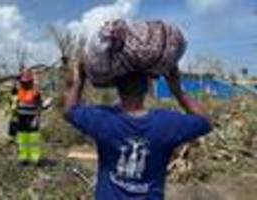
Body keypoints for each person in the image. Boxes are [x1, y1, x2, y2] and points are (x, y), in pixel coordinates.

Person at [63, 63, 211, 200]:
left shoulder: (104, 119)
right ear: (146, 88)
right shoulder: (166, 123)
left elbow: (69, 111)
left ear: (118, 88)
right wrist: (177, 91)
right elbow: (205, 122)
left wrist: (79, 80)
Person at [11, 69, 43, 166]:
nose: (25, 84)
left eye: (27, 82)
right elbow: (13, 91)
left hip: (32, 118)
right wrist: (16, 78)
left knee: (33, 139)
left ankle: (35, 159)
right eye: (23, 82)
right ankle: (23, 158)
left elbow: (38, 105)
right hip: (21, 118)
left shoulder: (35, 91)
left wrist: (37, 118)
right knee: (22, 139)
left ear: (31, 82)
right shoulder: (18, 91)